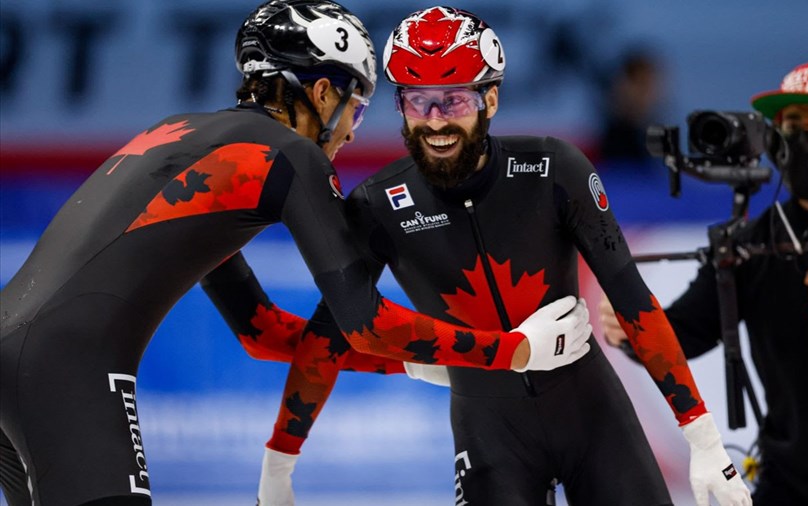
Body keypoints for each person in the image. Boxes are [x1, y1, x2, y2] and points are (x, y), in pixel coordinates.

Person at [0, 1, 594, 505]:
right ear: (319, 90)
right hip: (67, 367)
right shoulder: (288, 153)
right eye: (356, 108)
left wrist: (420, 362)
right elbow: (363, 321)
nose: (355, 132)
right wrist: (513, 351)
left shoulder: (184, 136)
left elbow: (263, 333)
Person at [217, 6, 752, 505]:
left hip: (592, 412)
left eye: (454, 100)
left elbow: (634, 302)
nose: (434, 121)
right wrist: (279, 461)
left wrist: (702, 439)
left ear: (490, 100)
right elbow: (328, 338)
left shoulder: (555, 169)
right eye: (416, 101)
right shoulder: (376, 204)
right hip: (489, 430)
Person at [600, 61, 808, 505]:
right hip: (787, 487)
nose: (806, 140)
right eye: (793, 126)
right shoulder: (752, 241)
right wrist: (637, 332)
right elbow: (686, 335)